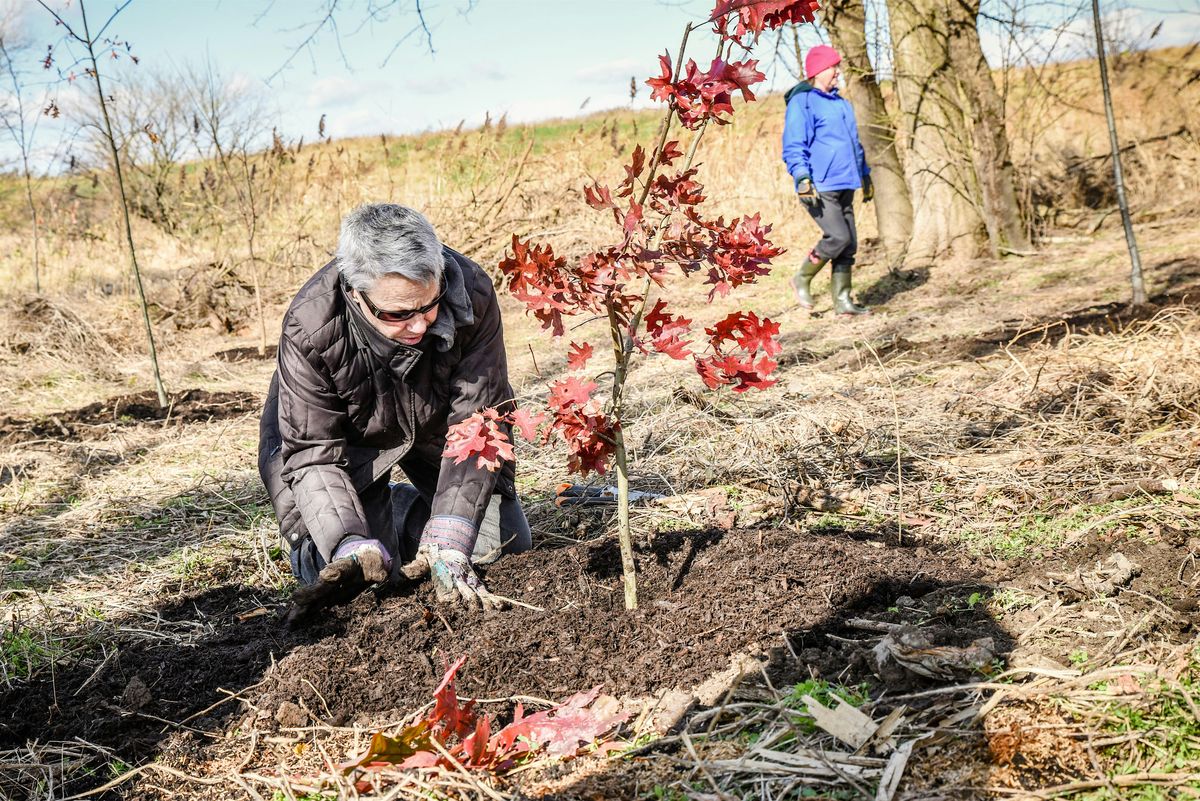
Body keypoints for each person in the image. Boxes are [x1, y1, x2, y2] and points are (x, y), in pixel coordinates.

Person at [258, 203, 531, 623]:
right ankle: (376, 518)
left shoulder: (470, 290)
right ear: (355, 292)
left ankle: (420, 521)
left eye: (429, 304)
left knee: (502, 551)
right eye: (398, 314)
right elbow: (312, 453)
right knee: (358, 583)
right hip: (342, 449)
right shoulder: (310, 324)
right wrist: (349, 541)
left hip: (437, 426)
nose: (420, 326)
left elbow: (479, 417)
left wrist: (450, 533)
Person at [782, 44, 873, 317]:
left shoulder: (841, 104)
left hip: (846, 181)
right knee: (838, 237)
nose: (837, 72)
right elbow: (793, 144)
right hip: (818, 185)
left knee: (850, 244)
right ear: (818, 70)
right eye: (833, 67)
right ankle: (802, 277)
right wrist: (801, 177)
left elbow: (855, 144)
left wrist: (865, 175)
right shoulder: (804, 102)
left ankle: (843, 302)